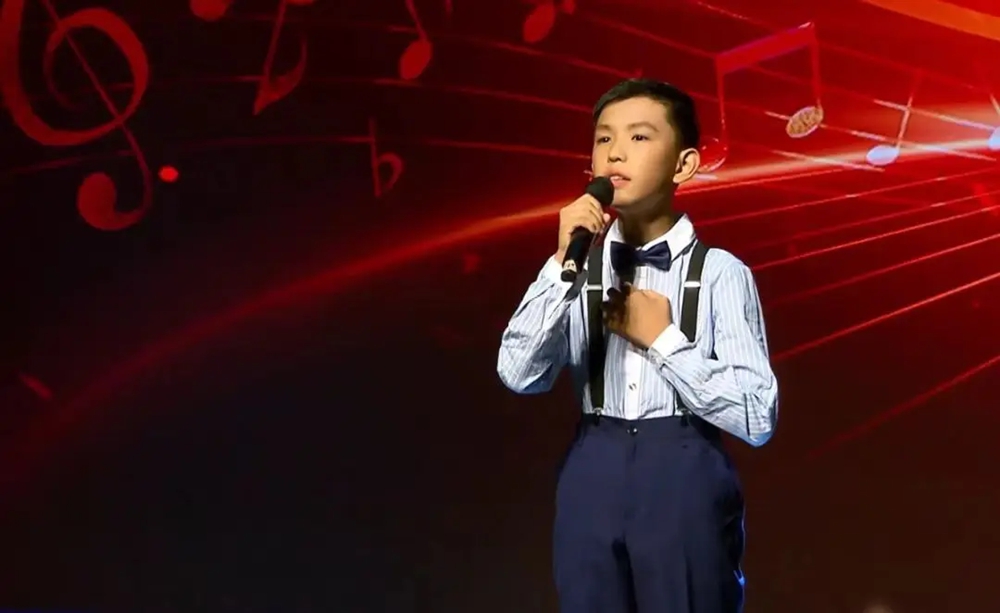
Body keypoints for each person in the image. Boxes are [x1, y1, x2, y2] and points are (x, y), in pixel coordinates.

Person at [496, 78, 779, 613]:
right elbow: (518, 372)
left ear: (684, 164)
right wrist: (560, 267)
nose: (616, 152)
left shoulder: (720, 273)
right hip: (592, 463)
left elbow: (757, 415)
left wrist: (664, 340)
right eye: (604, 139)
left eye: (640, 137)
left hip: (683, 467)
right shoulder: (574, 266)